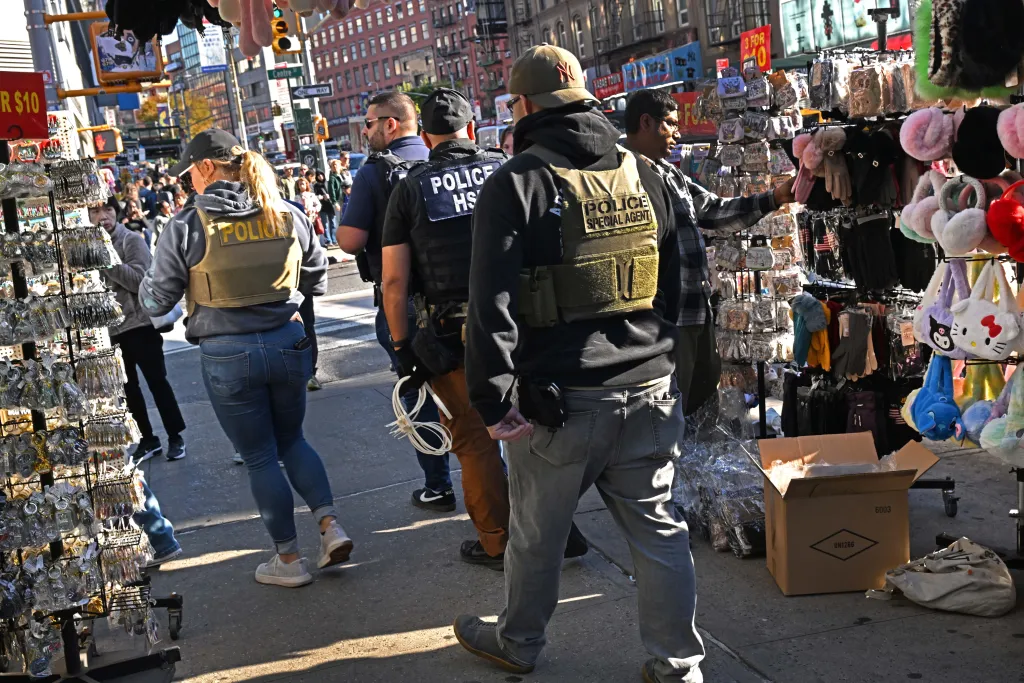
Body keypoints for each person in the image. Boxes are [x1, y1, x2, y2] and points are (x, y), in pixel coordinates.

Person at [455, 45, 701, 682]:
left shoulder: (517, 180)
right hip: (650, 384)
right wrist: (662, 356)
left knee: (537, 535)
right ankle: (679, 664)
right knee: (658, 527)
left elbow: (490, 301)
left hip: (563, 398)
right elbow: (674, 277)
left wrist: (491, 398)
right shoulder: (643, 171)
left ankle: (517, 643)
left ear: (524, 106)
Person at [140, 129, 351, 587]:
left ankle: (289, 560)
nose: (189, 182)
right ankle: (330, 526)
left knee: (259, 456)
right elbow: (317, 279)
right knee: (293, 440)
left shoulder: (186, 225)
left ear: (207, 168)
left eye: (190, 173)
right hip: (288, 342)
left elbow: (157, 301)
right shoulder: (286, 211)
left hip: (228, 353)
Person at [622, 89, 795, 416]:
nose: (677, 133)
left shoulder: (669, 172)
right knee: (670, 409)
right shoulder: (623, 175)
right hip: (666, 319)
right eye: (671, 124)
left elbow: (713, 210)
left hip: (695, 312)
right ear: (646, 123)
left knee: (698, 403)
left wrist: (774, 198)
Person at [338, 91, 456, 513]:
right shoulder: (440, 159)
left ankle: (438, 485)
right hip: (453, 294)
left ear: (390, 124)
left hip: (404, 301)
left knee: (417, 392)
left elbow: (350, 240)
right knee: (469, 387)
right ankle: (492, 476)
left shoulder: (374, 172)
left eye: (369, 123)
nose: (365, 131)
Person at [88, 197, 188, 464]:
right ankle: (147, 439)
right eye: (95, 211)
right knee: (128, 389)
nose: (102, 216)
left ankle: (175, 436)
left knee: (157, 382)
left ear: (116, 212)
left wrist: (106, 259)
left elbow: (138, 282)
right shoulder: (86, 247)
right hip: (111, 331)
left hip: (140, 325)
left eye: (108, 209)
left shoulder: (130, 240)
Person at [328, 157, 352, 233]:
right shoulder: (332, 178)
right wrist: (335, 203)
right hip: (338, 201)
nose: (335, 166)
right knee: (340, 219)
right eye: (333, 165)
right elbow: (331, 191)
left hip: (346, 199)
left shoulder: (343, 175)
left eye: (336, 165)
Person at [314, 170, 336, 248]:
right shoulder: (316, 185)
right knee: (325, 224)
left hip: (330, 205)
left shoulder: (327, 183)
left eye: (321, 175)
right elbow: (315, 195)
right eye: (318, 175)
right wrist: (322, 197)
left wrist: (331, 197)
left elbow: (332, 191)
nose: (320, 177)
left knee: (333, 223)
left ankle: (334, 240)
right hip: (322, 206)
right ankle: (329, 240)